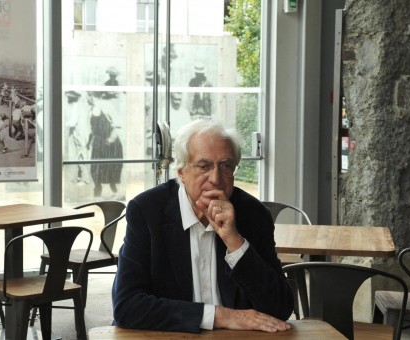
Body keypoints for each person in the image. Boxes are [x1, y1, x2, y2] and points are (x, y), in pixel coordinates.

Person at [112, 119, 294, 333]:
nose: (215, 179)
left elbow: (280, 307)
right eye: (203, 166)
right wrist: (220, 315)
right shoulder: (147, 211)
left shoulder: (254, 215)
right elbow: (127, 306)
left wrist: (234, 241)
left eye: (225, 166)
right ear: (181, 172)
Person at [86, 93, 123, 198]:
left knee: (111, 166)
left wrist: (111, 139)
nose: (87, 99)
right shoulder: (92, 110)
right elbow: (92, 130)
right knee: (96, 167)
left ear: (92, 96)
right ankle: (97, 188)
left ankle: (114, 188)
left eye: (88, 96)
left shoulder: (107, 106)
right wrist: (89, 143)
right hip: (98, 142)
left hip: (110, 141)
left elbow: (117, 124)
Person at [65, 90, 90, 184]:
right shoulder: (82, 106)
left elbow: (72, 122)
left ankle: (85, 179)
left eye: (68, 98)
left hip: (79, 134)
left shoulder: (75, 106)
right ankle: (80, 177)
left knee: (80, 156)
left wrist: (63, 123)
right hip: (83, 133)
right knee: (80, 156)